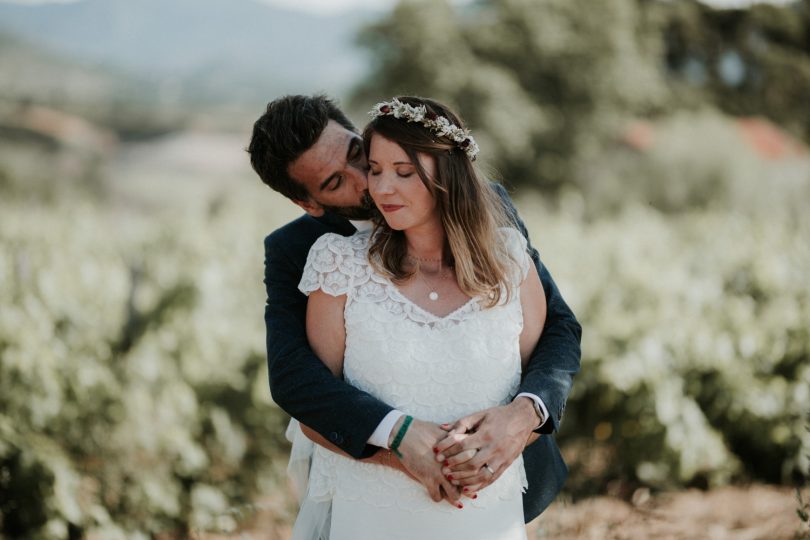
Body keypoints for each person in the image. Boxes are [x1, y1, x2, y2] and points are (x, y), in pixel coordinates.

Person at [247, 95, 581, 533]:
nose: (371, 184)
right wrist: (398, 444)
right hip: (373, 487)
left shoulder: (487, 207)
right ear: (309, 203)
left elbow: (558, 326)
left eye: (356, 155)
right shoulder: (303, 251)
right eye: (335, 182)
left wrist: (521, 419)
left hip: (496, 484)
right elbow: (295, 378)